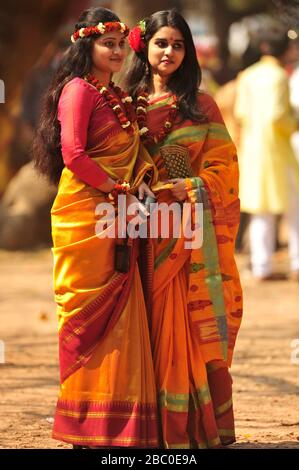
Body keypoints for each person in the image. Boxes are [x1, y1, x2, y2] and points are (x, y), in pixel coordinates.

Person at [33, 7, 160, 448]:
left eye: (121, 44)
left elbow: (132, 148)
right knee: (88, 316)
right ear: (85, 46)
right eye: (108, 43)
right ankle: (86, 423)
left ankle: (122, 423)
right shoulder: (77, 89)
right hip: (85, 214)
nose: (117, 51)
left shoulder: (117, 95)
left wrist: (133, 187)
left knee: (125, 312)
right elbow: (74, 154)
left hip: (118, 209)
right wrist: (116, 188)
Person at [125, 9, 243, 448]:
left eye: (178, 45)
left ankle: (187, 428)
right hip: (135, 230)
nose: (170, 52)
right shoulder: (124, 102)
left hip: (187, 233)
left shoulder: (201, 104)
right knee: (145, 324)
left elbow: (225, 168)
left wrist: (189, 185)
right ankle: (143, 425)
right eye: (162, 43)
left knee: (183, 326)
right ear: (145, 46)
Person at [235, 29, 299, 281]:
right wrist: (295, 122)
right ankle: (296, 262)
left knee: (261, 210)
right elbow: (277, 117)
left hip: (252, 151)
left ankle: (261, 266)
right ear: (285, 50)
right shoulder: (279, 77)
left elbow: (241, 113)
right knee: (294, 207)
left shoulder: (247, 76)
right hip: (278, 150)